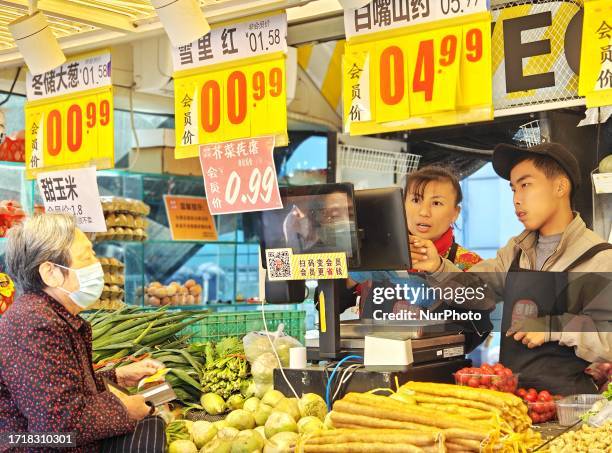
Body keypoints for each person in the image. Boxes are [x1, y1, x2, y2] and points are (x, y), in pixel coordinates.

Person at [411, 142, 612, 394]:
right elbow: (476, 294)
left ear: (560, 187)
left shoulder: (599, 257)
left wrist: (555, 327)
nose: (517, 199)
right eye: (513, 189)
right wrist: (438, 267)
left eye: (526, 185)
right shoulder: (515, 251)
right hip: (512, 401)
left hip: (569, 410)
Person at [0, 214, 166, 453]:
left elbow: (59, 390)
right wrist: (126, 409)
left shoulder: (49, 313)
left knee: (151, 426)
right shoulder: (35, 324)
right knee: (148, 427)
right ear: (51, 272)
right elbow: (57, 428)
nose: (96, 264)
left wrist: (116, 377)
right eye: (87, 256)